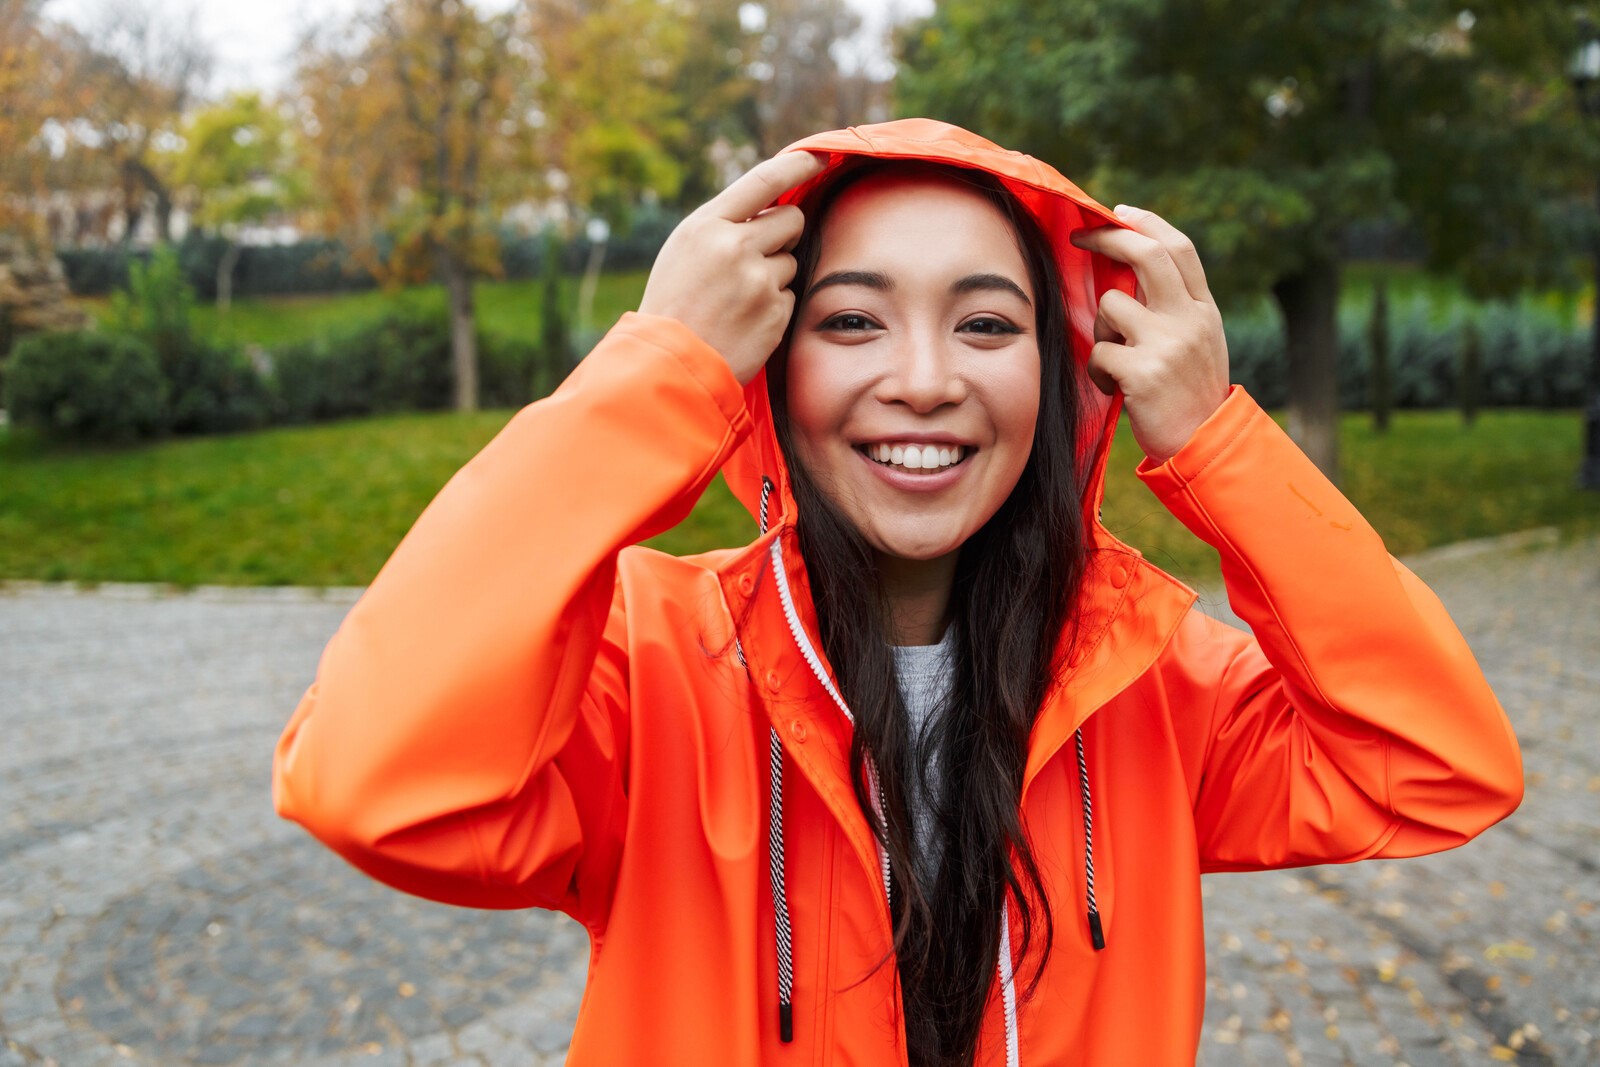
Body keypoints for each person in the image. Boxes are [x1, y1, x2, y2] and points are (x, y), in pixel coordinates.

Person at [273, 119, 1523, 1066]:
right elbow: (377, 782)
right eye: (852, 322)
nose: (924, 380)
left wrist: (1216, 441)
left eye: (986, 326)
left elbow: (1434, 766)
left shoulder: (1152, 675)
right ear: (762, 363)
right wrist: (652, 379)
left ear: (1062, 379)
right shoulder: (651, 664)